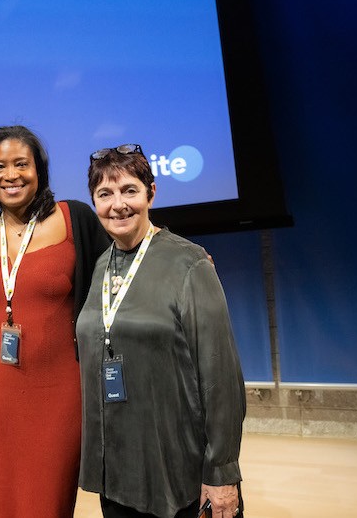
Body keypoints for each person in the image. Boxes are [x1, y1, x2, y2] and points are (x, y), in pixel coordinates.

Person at [75, 144, 246, 518]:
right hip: (118, 471)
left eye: (129, 190)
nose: (118, 204)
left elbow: (221, 377)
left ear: (151, 193)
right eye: (105, 194)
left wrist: (221, 473)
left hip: (177, 472)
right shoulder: (102, 265)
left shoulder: (189, 263)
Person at [0, 126, 111, 517]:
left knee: (47, 503)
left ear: (39, 170)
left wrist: (172, 255)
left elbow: (125, 261)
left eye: (21, 164)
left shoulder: (73, 217)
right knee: (5, 502)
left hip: (60, 392)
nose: (10, 175)